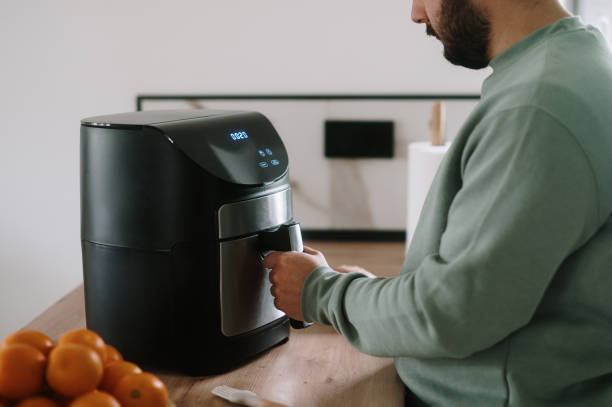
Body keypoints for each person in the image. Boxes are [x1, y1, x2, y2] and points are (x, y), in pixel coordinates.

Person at [264, 0, 612, 405]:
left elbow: (453, 315)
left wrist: (320, 293)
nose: (416, 13)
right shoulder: (579, 64)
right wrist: (370, 297)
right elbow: (498, 285)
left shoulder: (536, 106)